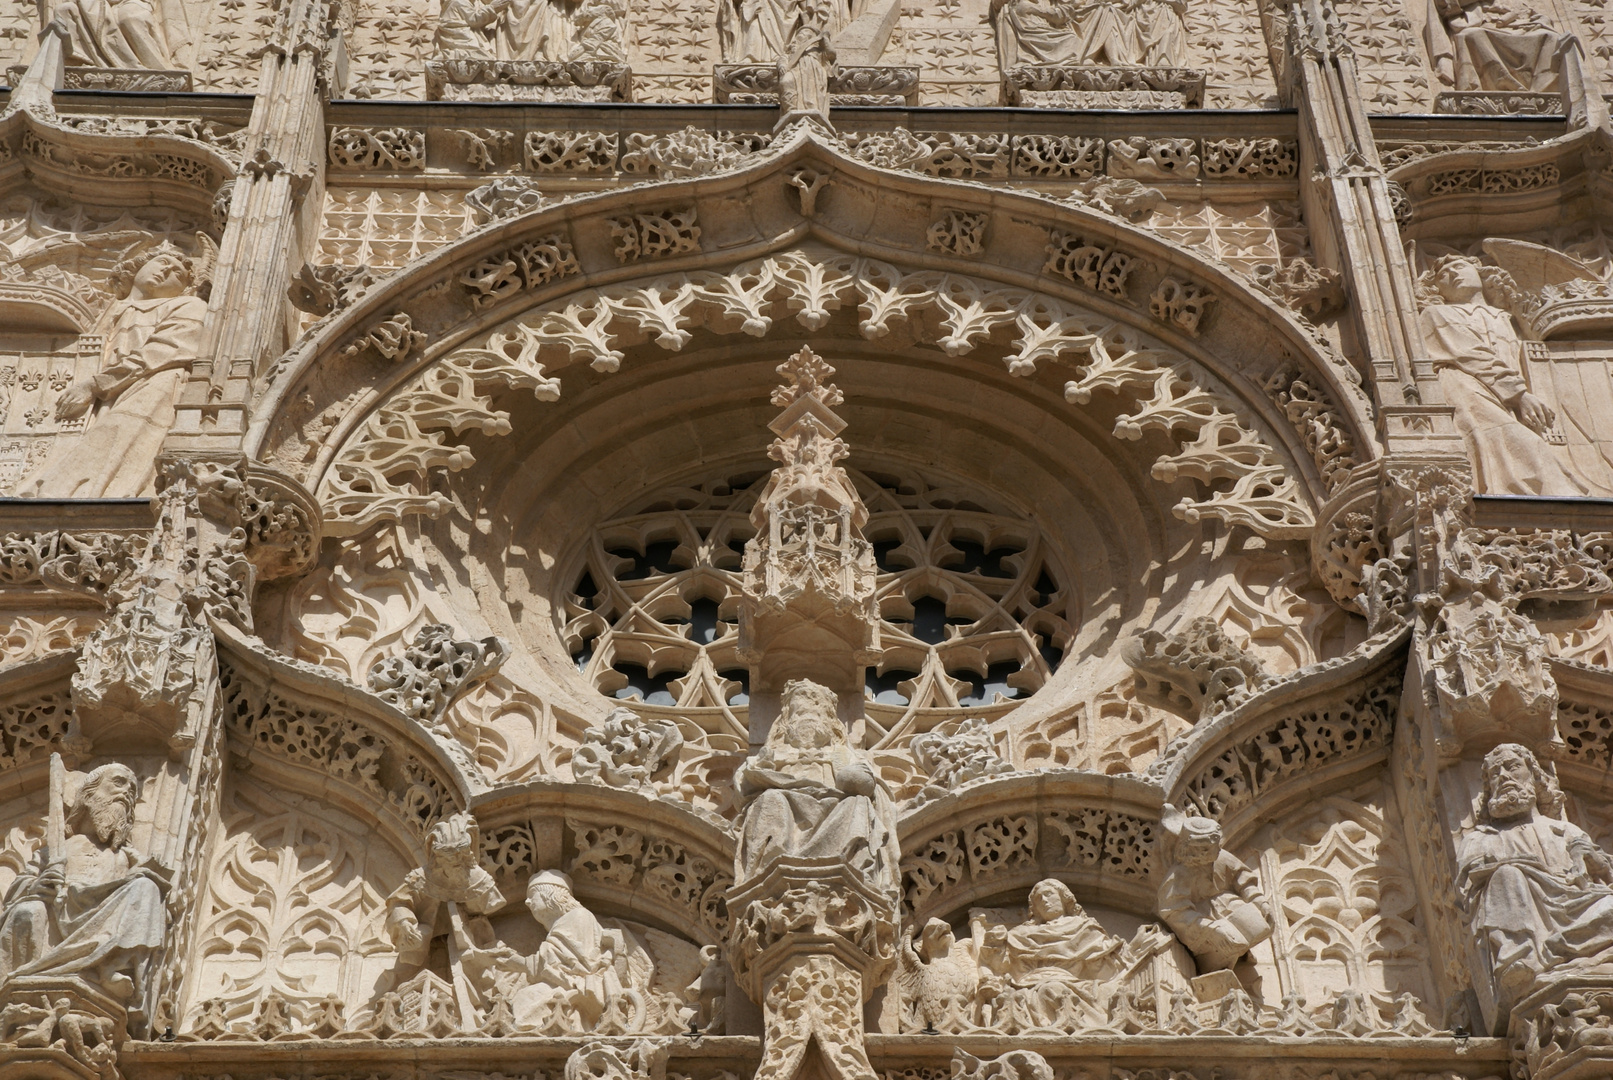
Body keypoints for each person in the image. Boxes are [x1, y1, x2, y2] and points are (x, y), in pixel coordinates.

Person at [23, 244, 208, 499]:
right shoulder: (107, 311)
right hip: (100, 400)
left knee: (111, 445)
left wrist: (94, 385)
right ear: (138, 267)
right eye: (162, 263)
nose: (165, 272)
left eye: (176, 273)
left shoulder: (189, 306)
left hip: (149, 387)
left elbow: (166, 351)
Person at [0, 764, 170, 1008]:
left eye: (132, 790)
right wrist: (37, 886)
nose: (126, 793)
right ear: (89, 795)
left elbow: (140, 890)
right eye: (119, 783)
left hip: (103, 917)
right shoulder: (56, 850)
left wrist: (144, 872)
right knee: (27, 910)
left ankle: (111, 967)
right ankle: (28, 979)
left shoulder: (125, 855)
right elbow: (20, 885)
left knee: (146, 888)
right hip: (59, 912)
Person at [1458, 744, 1613, 1006]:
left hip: (1576, 903)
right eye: (1495, 773)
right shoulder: (1481, 839)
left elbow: (1604, 873)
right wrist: (1516, 866)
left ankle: (1564, 950)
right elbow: (1467, 888)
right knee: (1506, 875)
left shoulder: (1564, 829)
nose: (1504, 776)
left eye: (1513, 766)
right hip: (1526, 910)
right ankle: (1519, 960)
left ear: (1533, 774)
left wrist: (1595, 860)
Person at [1419, 257, 1587, 496]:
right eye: (1443, 275)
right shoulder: (1435, 314)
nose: (1453, 274)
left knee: (1518, 445)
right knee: (1517, 444)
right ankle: (1562, 500)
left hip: (1508, 395)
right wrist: (1519, 394)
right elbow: (1470, 354)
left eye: (1459, 267)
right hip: (1466, 386)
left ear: (1481, 274)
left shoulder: (1505, 318)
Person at [732, 678, 900, 899]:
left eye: (816, 714)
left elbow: (868, 785)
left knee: (857, 804)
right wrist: (762, 769)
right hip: (786, 805)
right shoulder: (772, 754)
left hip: (832, 805)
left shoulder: (842, 754)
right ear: (786, 720)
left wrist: (853, 778)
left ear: (830, 722)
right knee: (770, 800)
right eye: (799, 714)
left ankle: (855, 873)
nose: (807, 719)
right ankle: (765, 873)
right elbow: (744, 783)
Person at [1424, 0, 1567, 93]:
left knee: (1552, 38)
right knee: (1471, 36)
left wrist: (1539, 19)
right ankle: (1475, 89)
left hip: (1515, 24)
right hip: (1479, 24)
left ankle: (1542, 90)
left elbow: (1526, 9)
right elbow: (1444, 4)